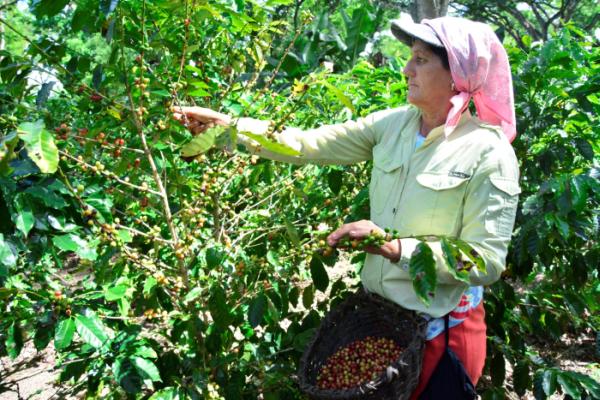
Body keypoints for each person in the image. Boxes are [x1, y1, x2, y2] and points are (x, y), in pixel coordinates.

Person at [173, 13, 520, 399]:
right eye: (411, 58)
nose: (407, 69)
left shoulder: (488, 153)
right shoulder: (393, 126)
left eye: (420, 60)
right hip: (382, 326)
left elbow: (484, 260)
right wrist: (228, 127)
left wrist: (395, 248)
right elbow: (307, 144)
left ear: (457, 73)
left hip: (441, 334)